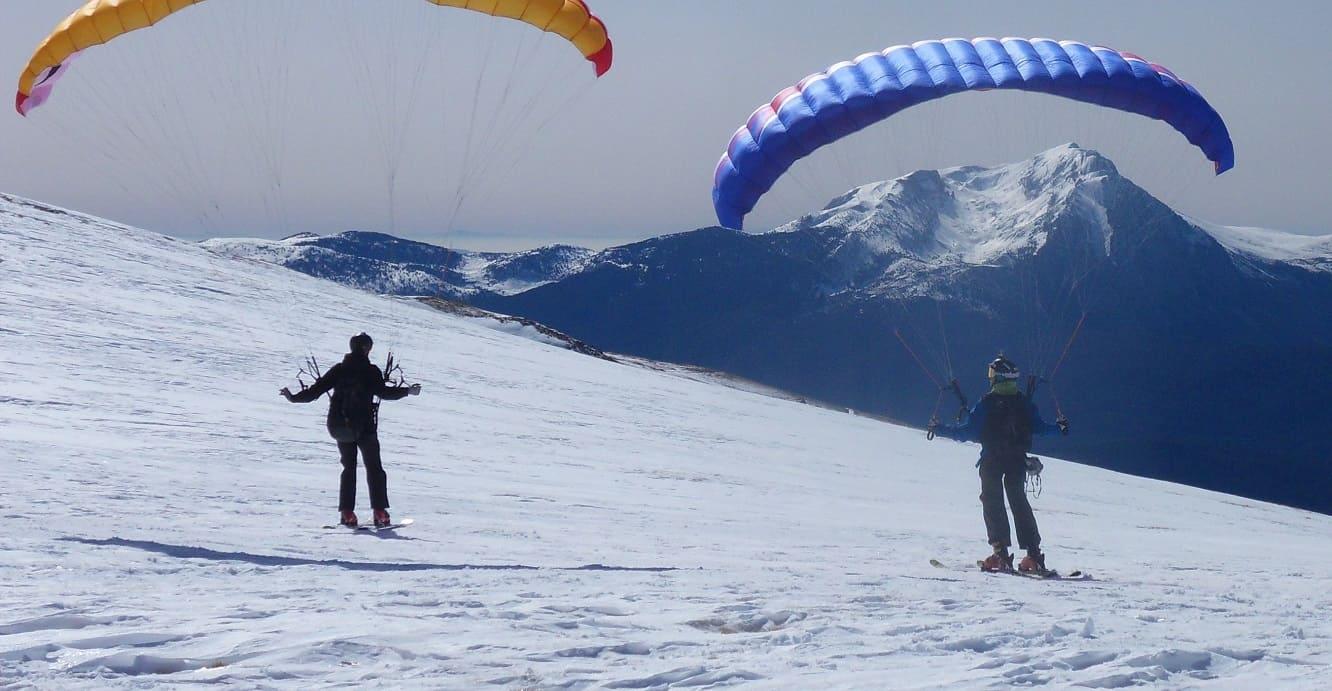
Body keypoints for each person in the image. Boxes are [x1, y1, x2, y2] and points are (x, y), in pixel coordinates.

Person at [930, 355, 1069, 573]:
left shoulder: (986, 404)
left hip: (992, 460)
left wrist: (939, 429)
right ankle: (1034, 555)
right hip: (1017, 460)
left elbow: (966, 432)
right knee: (1018, 501)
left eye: (992, 374)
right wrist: (1059, 428)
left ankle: (1001, 554)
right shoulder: (1024, 403)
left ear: (998, 378)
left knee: (992, 500)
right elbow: (1040, 428)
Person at [281, 333, 421, 528]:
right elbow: (384, 393)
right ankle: (380, 512)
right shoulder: (370, 371)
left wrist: (293, 397)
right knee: (374, 468)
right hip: (364, 428)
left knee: (349, 468)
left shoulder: (339, 369)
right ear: (366, 349)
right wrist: (407, 391)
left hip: (339, 426)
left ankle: (347, 513)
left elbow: (315, 392)